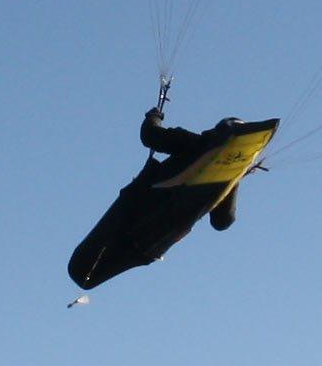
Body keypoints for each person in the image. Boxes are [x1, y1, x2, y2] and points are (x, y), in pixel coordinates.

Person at [68, 93, 280, 291]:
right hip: (154, 240)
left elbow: (150, 135)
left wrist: (153, 116)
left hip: (136, 210)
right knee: (86, 279)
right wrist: (236, 177)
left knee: (79, 269)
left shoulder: (196, 143)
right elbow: (222, 222)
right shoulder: (225, 182)